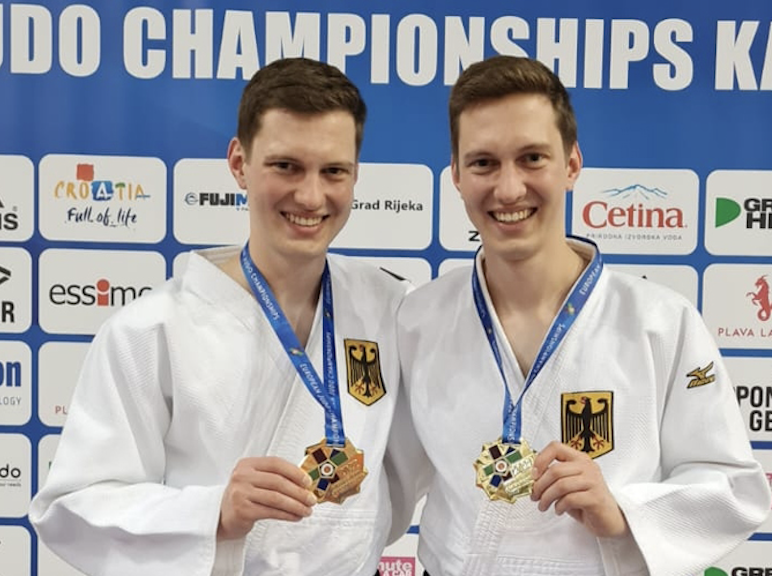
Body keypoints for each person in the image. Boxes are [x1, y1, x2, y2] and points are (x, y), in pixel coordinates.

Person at [30, 57, 411, 576]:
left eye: (333, 171)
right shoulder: (151, 330)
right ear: (239, 163)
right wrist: (212, 513)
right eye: (286, 166)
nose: (310, 195)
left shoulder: (391, 308)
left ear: (355, 174)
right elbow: (72, 508)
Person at [395, 55, 771, 576]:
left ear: (571, 165)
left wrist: (623, 512)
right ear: (456, 175)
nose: (509, 189)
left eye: (532, 158)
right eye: (483, 163)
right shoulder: (418, 319)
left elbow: (734, 487)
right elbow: (384, 477)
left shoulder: (660, 322)